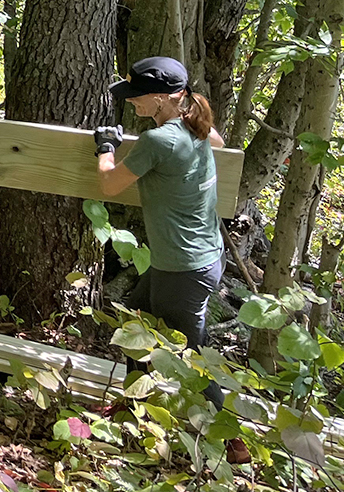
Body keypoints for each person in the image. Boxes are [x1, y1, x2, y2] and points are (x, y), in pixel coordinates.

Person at [95, 57, 250, 463]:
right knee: (136, 319)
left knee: (189, 355)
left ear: (162, 99)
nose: (130, 103)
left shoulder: (158, 140)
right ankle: (134, 407)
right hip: (201, 258)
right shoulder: (195, 125)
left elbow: (110, 184)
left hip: (182, 267)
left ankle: (232, 442)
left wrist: (106, 148)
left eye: (137, 97)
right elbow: (215, 143)